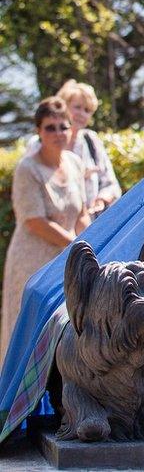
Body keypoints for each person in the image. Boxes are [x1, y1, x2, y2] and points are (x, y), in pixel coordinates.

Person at [2, 97, 90, 367]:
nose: (58, 134)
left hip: (66, 259)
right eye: (50, 128)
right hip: (33, 261)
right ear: (38, 131)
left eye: (63, 127)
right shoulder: (27, 169)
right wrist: (76, 245)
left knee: (65, 328)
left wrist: (91, 243)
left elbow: (82, 212)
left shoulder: (74, 163)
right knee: (27, 329)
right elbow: (34, 221)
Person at [28, 80, 122, 217]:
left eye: (88, 110)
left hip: (92, 225)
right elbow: (32, 186)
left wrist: (102, 199)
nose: (82, 114)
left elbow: (112, 185)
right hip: (54, 227)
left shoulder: (91, 141)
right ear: (63, 108)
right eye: (77, 107)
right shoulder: (37, 144)